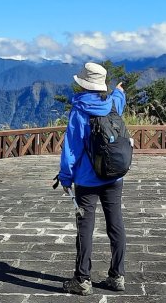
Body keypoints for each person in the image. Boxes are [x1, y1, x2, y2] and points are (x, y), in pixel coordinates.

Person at [57, 61, 127, 295]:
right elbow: (119, 97)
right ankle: (117, 276)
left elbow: (72, 148)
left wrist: (66, 177)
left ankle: (83, 280)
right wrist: (118, 90)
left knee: (85, 228)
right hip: (114, 176)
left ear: (84, 85)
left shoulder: (79, 110)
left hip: (87, 180)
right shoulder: (112, 104)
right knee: (115, 225)